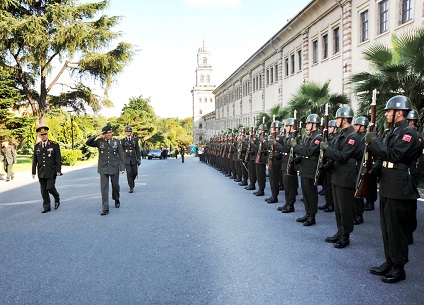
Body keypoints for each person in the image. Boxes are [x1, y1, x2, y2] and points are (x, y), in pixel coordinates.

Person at [366, 95, 422, 283]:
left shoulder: (410, 134)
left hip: (399, 186)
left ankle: (399, 267)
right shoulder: (392, 133)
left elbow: (394, 154)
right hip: (388, 184)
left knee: (396, 229)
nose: (386, 114)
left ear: (399, 112)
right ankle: (390, 261)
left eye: (389, 111)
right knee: (387, 228)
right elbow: (383, 157)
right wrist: (373, 170)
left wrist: (374, 142)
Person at [321, 107, 361, 248]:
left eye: (337, 119)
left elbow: (343, 156)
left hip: (346, 176)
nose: (335, 121)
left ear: (344, 120)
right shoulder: (340, 135)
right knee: (338, 208)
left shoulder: (353, 137)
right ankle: (340, 231)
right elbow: (335, 155)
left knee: (345, 208)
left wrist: (327, 149)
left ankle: (346, 235)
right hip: (337, 174)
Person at [86, 125, 125, 216]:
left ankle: (116, 199)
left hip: (114, 167)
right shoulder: (99, 142)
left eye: (109, 133)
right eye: (106, 133)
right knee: (104, 189)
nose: (108, 134)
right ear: (103, 134)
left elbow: (121, 155)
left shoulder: (116, 142)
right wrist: (97, 135)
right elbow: (88, 143)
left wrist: (122, 168)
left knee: (115, 186)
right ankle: (105, 208)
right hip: (103, 168)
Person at [291, 114, 322, 226]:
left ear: (314, 125)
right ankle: (307, 213)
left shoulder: (318, 138)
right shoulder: (310, 137)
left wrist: (295, 147)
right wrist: (297, 159)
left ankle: (312, 215)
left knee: (311, 194)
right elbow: (305, 151)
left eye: (308, 123)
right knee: (305, 193)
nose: (307, 125)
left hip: (311, 169)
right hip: (305, 168)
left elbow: (308, 152)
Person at [32, 126, 62, 213]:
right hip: (41, 171)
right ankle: (46, 206)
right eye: (42, 135)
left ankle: (57, 197)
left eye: (45, 134)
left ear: (47, 134)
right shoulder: (37, 146)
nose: (43, 136)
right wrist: (33, 171)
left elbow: (58, 159)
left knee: (50, 187)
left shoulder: (54, 145)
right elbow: (35, 160)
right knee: (43, 190)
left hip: (51, 171)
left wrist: (58, 170)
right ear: (39, 136)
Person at [405, 109, 424, 244]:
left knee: (409, 203)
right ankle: (408, 232)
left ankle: (409, 232)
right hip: (410, 168)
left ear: (411, 122)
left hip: (409, 170)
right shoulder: (418, 136)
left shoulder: (413, 136)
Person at [352, 116, 369, 225]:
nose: (355, 127)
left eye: (357, 125)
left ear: (362, 127)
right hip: (354, 166)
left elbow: (361, 153)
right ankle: (355, 213)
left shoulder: (364, 138)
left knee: (358, 192)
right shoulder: (356, 136)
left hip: (359, 166)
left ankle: (359, 215)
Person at [121, 126, 141, 193]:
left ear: (131, 132)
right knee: (129, 173)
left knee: (134, 172)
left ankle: (132, 181)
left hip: (133, 158)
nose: (128, 132)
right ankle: (131, 187)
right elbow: (120, 151)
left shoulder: (135, 140)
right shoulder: (123, 141)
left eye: (129, 131)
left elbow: (137, 150)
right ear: (125, 132)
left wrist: (139, 158)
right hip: (126, 158)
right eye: (127, 131)